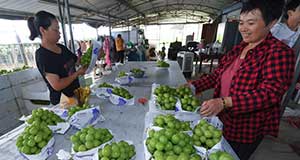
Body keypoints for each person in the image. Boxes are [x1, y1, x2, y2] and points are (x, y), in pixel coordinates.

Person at [188, 0, 295, 159]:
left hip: (246, 129)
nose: (243, 28)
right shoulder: (239, 48)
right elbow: (217, 76)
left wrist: (224, 102)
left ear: (271, 23)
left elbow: (270, 93)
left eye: (250, 23)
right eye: (241, 22)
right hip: (222, 119)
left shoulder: (279, 52)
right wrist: (192, 86)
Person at [27, 11, 87, 105]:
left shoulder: (61, 48)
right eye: (56, 30)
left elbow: (77, 61)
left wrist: (93, 54)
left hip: (77, 95)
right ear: (43, 30)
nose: (59, 33)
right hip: (63, 103)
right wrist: (77, 74)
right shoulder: (43, 55)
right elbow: (57, 85)